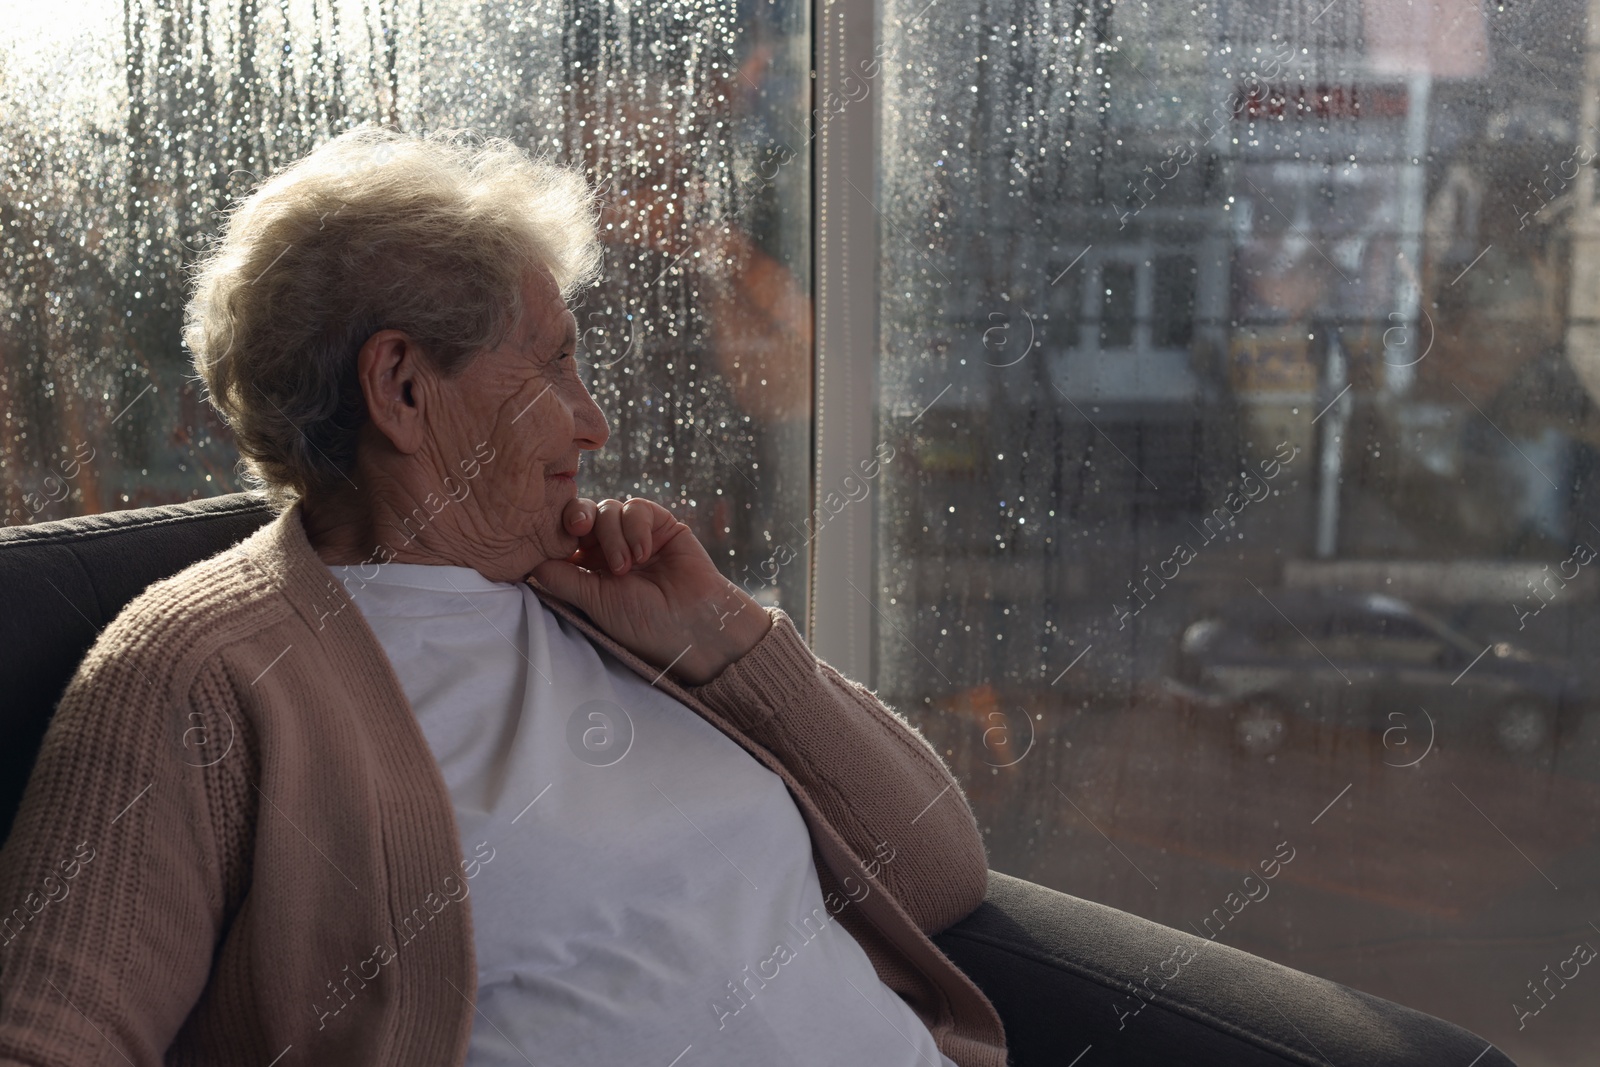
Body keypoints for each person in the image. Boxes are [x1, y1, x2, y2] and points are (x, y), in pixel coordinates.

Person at [0, 125, 1008, 1067]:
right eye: (555, 364)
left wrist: (730, 641)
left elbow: (936, 873)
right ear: (401, 386)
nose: (593, 422)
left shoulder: (612, 603)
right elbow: (50, 1035)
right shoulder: (194, 667)